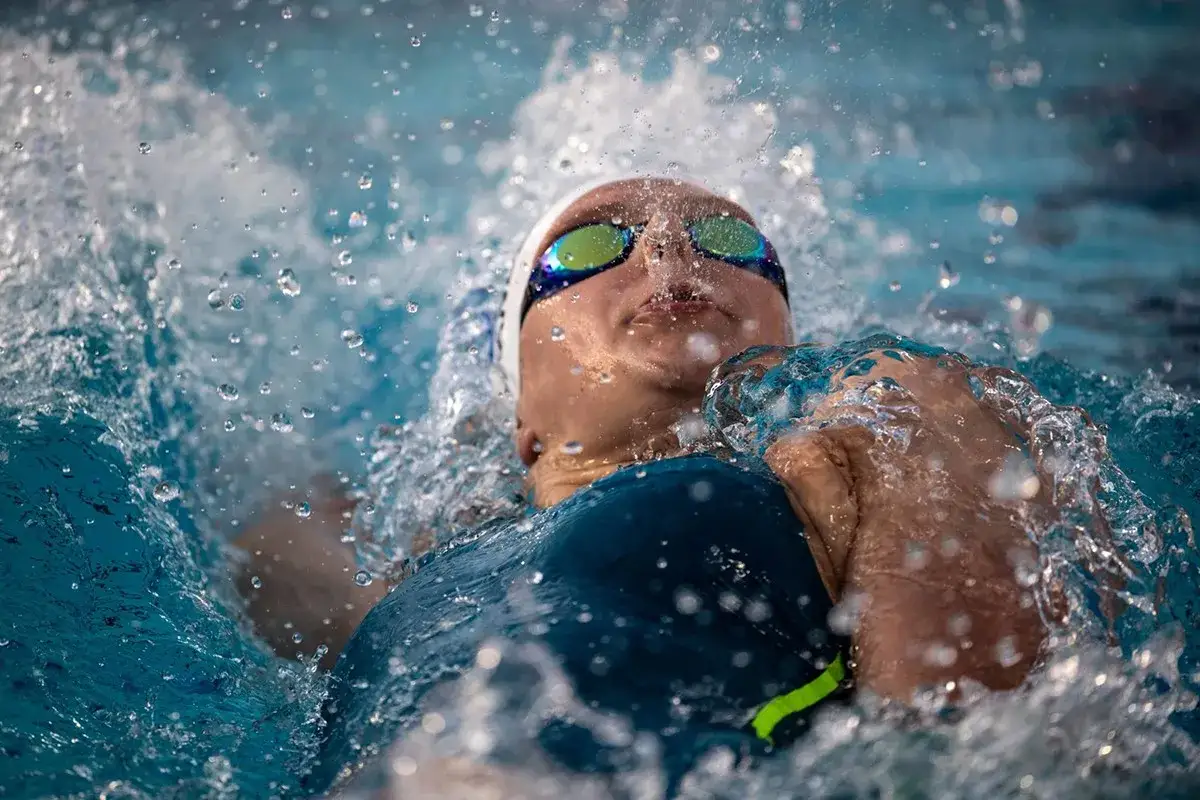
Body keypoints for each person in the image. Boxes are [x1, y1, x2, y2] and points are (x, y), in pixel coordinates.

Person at [234, 176, 1052, 795]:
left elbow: (964, 746)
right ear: (522, 414)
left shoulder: (865, 439)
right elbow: (277, 545)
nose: (668, 248)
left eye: (728, 238)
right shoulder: (422, 573)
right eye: (589, 248)